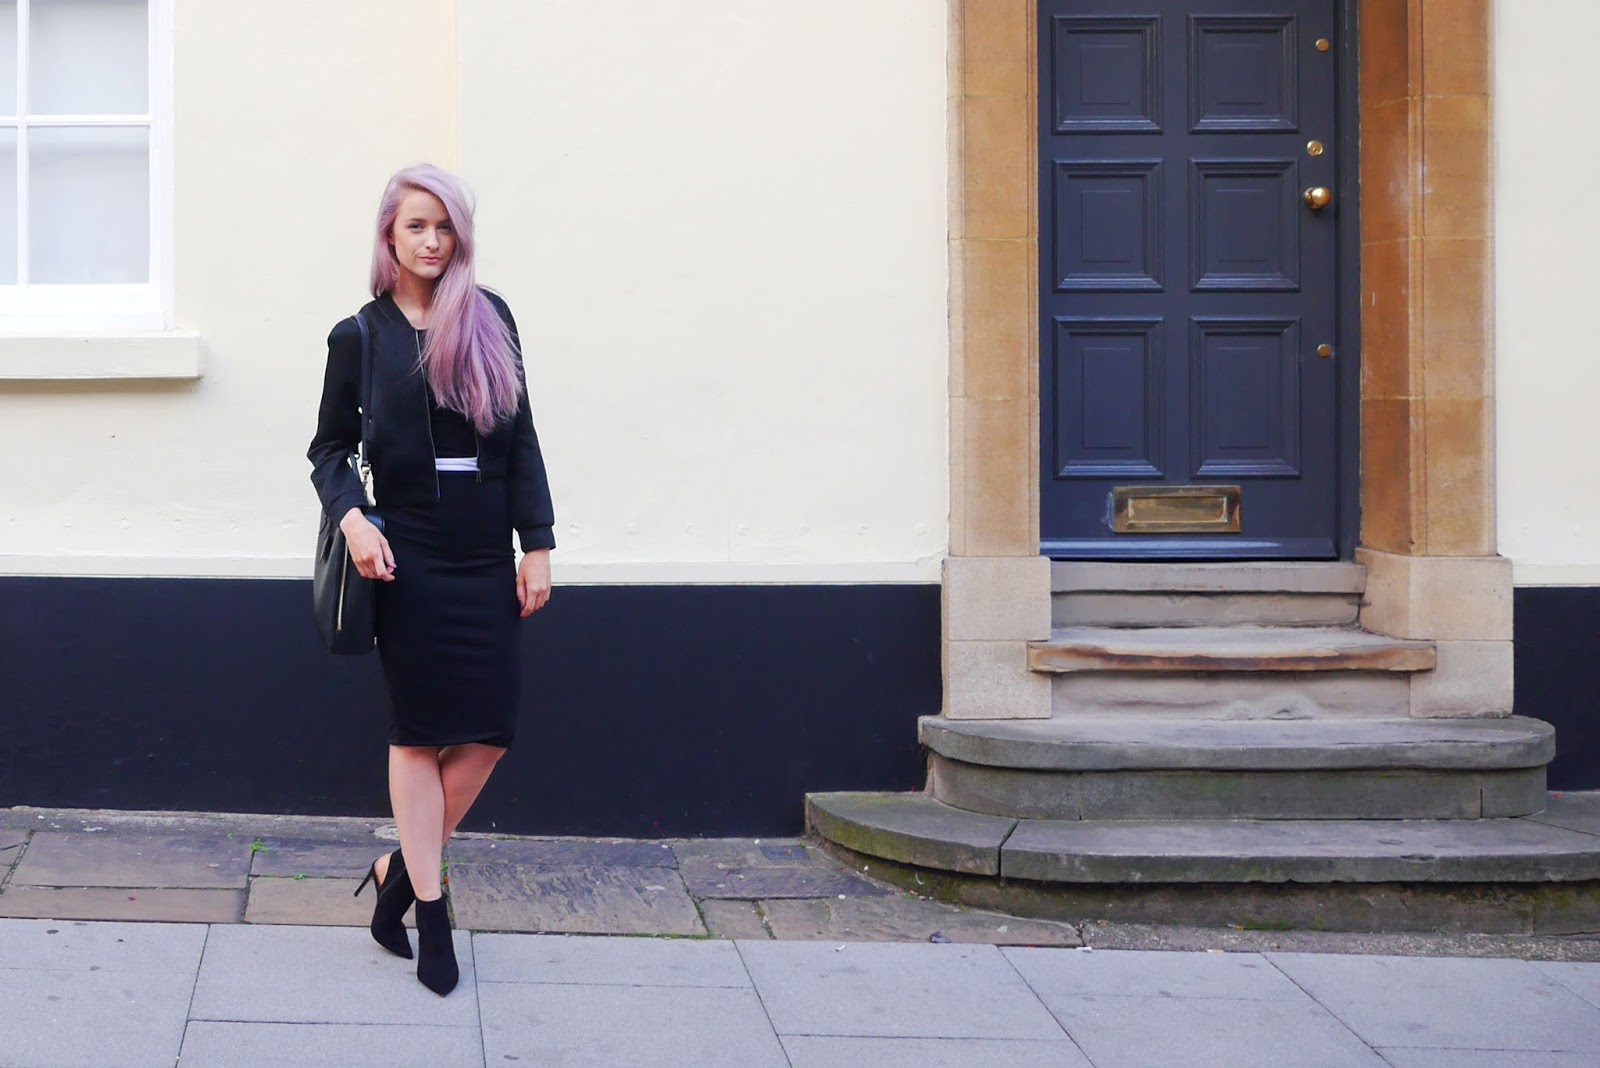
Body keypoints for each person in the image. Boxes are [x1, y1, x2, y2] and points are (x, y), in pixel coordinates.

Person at [308, 163, 555, 995]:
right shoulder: (361, 335)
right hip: (406, 556)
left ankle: (395, 872)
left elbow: (522, 438)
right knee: (417, 734)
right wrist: (353, 518)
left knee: (489, 731)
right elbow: (328, 449)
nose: (432, 240)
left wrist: (537, 544)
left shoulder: (491, 318)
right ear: (390, 234)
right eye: (417, 225)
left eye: (445, 226)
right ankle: (433, 908)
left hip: (484, 554)